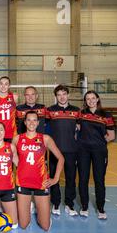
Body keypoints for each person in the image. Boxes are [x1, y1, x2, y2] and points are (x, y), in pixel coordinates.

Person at [13, 111, 64, 231]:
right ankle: (30, 208)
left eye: (34, 120)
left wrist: (55, 178)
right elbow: (12, 156)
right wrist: (20, 166)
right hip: (23, 182)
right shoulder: (17, 139)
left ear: (38, 122)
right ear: (25, 122)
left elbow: (61, 158)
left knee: (45, 226)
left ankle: (40, 212)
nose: (31, 122)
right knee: (23, 225)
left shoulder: (45, 138)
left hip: (41, 182)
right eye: (29, 120)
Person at [77, 91, 115, 219]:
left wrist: (98, 141)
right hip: (83, 151)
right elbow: (77, 130)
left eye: (93, 98)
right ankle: (84, 207)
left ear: (97, 99)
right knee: (83, 179)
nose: (91, 101)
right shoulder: (81, 114)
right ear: (85, 101)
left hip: (99, 151)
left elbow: (111, 136)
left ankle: (101, 208)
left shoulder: (106, 115)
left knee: (99, 179)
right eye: (88, 99)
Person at [47, 84, 80, 216]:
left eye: (64, 94)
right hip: (56, 151)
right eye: (59, 95)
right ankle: (55, 203)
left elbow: (80, 129)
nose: (62, 97)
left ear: (68, 95)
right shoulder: (50, 110)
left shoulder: (76, 110)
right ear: (56, 96)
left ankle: (69, 204)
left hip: (72, 150)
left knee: (71, 178)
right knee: (54, 177)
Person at [0, 76, 18, 142]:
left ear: (9, 86)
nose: (3, 86)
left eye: (6, 84)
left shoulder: (14, 97)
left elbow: (18, 112)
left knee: (11, 151)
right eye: (1, 84)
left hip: (11, 132)